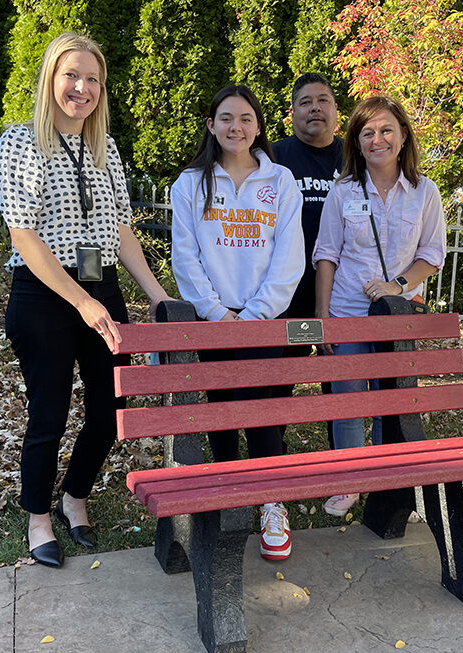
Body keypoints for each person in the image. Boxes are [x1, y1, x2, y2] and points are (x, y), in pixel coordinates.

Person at [0, 32, 171, 568]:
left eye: (92, 79)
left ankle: (75, 496)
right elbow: (24, 235)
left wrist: (159, 297)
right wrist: (81, 303)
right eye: (72, 75)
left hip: (101, 285)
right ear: (50, 79)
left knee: (110, 411)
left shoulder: (105, 148)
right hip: (45, 295)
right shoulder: (19, 142)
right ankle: (38, 518)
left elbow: (120, 231)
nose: (82, 88)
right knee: (48, 412)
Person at [170, 85, 304, 560]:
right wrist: (217, 314)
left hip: (264, 321)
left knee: (264, 413)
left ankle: (271, 502)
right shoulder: (189, 184)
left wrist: (253, 317)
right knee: (222, 412)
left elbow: (290, 259)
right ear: (211, 125)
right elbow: (185, 258)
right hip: (213, 319)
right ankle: (231, 501)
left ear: (260, 126)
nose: (236, 127)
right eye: (226, 118)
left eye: (246, 118)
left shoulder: (282, 181)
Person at [312, 96, 446, 517]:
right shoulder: (344, 192)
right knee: (348, 398)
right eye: (367, 132)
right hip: (348, 311)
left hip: (397, 317)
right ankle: (349, 481)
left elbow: (432, 254)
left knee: (393, 400)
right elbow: (326, 255)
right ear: (356, 142)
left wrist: (397, 285)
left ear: (403, 136)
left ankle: (391, 483)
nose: (377, 139)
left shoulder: (425, 193)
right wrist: (321, 316)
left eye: (386, 130)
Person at [272, 73, 343, 449]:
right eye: (305, 102)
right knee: (283, 376)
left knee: (339, 381)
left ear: (335, 110)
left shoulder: (355, 159)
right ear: (292, 113)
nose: (315, 107)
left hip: (342, 297)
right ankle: (272, 462)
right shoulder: (273, 157)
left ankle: (343, 466)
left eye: (323, 100)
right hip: (289, 297)